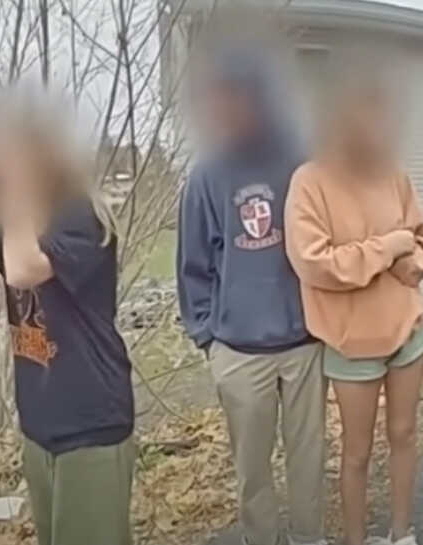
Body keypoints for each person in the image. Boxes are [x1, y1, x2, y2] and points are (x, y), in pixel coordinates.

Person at [0, 90, 135, 545]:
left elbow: (24, 271)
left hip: (91, 421)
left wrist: (16, 191)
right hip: (41, 425)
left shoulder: (80, 215)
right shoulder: (22, 223)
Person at [176, 41, 326, 545]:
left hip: (304, 343)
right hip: (239, 352)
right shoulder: (206, 175)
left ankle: (308, 537)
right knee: (253, 471)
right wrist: (208, 339)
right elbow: (193, 265)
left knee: (309, 462)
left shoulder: (301, 162)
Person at [285, 50, 423, 545]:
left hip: (408, 329)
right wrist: (387, 250)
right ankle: (356, 539)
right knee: (357, 453)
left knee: (405, 435)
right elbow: (315, 263)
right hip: (351, 341)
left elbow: (416, 236)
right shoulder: (309, 182)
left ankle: (402, 534)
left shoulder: (393, 173)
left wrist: (411, 259)